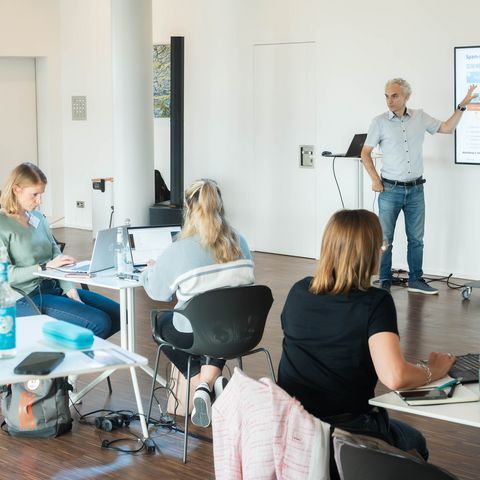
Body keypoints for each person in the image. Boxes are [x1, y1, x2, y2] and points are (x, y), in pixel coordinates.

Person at [277, 209, 456, 461]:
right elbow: (394, 377)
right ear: (367, 252)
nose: (382, 251)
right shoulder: (376, 303)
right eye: (380, 245)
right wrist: (433, 371)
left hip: (293, 425)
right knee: (416, 441)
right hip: (346, 430)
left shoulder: (298, 290)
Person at [141, 178, 254, 427]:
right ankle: (210, 383)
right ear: (220, 206)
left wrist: (149, 271)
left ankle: (202, 382)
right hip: (240, 333)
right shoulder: (241, 242)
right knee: (221, 324)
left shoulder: (179, 249)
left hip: (195, 335)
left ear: (189, 210)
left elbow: (157, 292)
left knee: (161, 323)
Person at [361, 79, 478, 294]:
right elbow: (365, 153)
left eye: (394, 96)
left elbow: (447, 128)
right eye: (386, 95)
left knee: (416, 239)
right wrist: (375, 180)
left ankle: (416, 280)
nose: (389, 100)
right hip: (389, 190)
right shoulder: (379, 122)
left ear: (406, 97)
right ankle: (384, 281)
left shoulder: (419, 117)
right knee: (385, 239)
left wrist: (464, 104)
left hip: (416, 190)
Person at [0, 162, 120, 339]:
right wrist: (44, 267)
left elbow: (55, 251)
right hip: (24, 297)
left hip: (53, 286)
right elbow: (5, 275)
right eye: (34, 195)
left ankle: (68, 349)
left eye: (41, 195)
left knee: (118, 314)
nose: (39, 201)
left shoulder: (37, 217)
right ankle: (69, 358)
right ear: (16, 189)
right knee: (99, 323)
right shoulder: (3, 225)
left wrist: (68, 286)